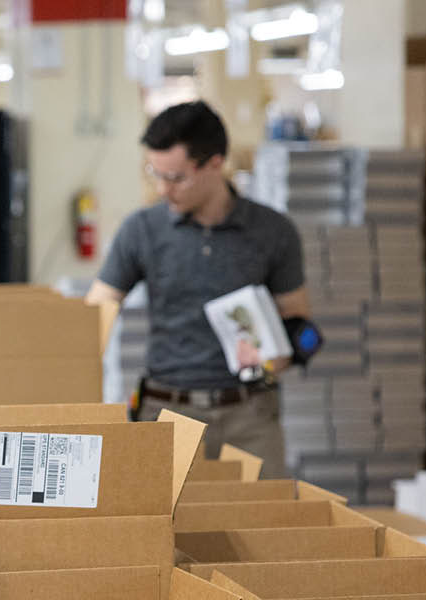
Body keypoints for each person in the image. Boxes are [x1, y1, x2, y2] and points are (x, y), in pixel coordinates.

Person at [85, 101, 310, 478]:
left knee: (260, 526)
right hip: (168, 413)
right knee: (165, 532)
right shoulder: (142, 230)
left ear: (215, 163)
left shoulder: (273, 232)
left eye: (176, 178)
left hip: (250, 416)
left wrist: (276, 357)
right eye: (155, 174)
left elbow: (300, 323)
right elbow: (96, 313)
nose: (162, 189)